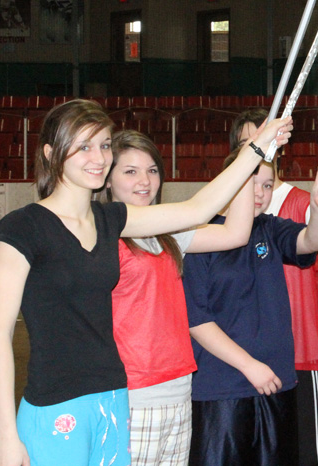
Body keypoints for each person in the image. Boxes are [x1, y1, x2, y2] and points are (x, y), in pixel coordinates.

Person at [0, 98, 291, 466]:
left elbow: (198, 209)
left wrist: (253, 150)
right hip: (56, 404)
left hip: (113, 399)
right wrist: (5, 434)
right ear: (51, 153)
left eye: (103, 145)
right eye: (84, 147)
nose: (98, 157)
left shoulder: (111, 220)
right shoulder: (22, 227)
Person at [182, 153, 318, 466]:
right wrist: (250, 366)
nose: (260, 193)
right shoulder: (200, 236)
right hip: (222, 388)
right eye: (251, 183)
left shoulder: (270, 228)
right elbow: (197, 320)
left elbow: (310, 241)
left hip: (275, 383)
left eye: (267, 185)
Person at [105, 129, 255, 466]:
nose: (144, 181)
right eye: (130, 171)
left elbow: (236, 232)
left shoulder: (166, 232)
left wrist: (248, 161)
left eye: (152, 170)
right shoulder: (102, 231)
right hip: (132, 392)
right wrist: (251, 154)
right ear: (107, 180)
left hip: (178, 386)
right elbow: (199, 210)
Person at [231, 109, 318, 466]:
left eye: (265, 139)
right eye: (248, 142)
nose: (257, 147)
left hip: (297, 352)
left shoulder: (293, 208)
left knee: (300, 452)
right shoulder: (214, 214)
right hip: (237, 360)